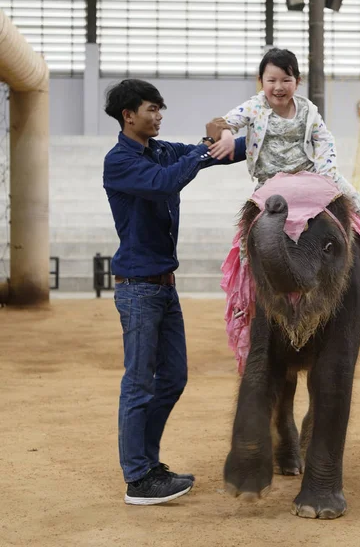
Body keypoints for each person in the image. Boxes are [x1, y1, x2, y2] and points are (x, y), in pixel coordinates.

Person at [103, 79, 246, 506]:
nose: (159, 115)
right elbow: (167, 182)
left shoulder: (161, 150)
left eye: (161, 108)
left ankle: (148, 464)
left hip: (163, 287)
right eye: (152, 109)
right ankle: (138, 478)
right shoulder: (120, 162)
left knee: (172, 379)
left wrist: (250, 131)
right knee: (139, 383)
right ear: (129, 115)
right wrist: (206, 144)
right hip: (138, 290)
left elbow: (219, 155)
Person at [209, 47, 360, 269]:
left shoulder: (308, 111)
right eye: (272, 80)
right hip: (270, 182)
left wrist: (326, 172)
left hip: (310, 176)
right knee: (245, 237)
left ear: (297, 81)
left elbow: (324, 138)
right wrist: (227, 134)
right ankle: (245, 295)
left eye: (286, 80)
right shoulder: (254, 106)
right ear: (261, 81)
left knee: (353, 197)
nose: (278, 87)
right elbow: (219, 123)